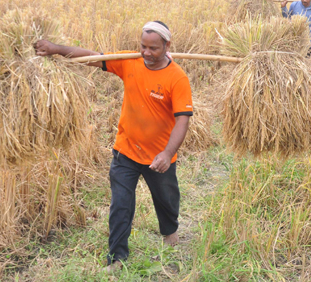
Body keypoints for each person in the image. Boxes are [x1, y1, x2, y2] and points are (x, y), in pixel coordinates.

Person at [34, 21, 193, 273]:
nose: (147, 53)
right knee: (120, 204)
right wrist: (55, 48)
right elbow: (91, 57)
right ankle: (117, 259)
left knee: (166, 199)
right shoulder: (129, 63)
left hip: (159, 156)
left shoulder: (177, 78)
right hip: (126, 151)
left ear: (167, 46)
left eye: (153, 48)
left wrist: (167, 153)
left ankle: (169, 230)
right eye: (143, 46)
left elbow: (182, 119)